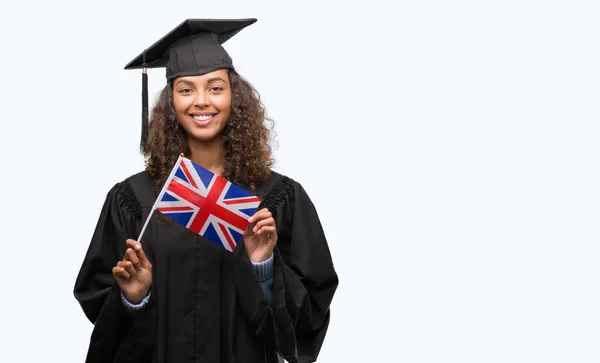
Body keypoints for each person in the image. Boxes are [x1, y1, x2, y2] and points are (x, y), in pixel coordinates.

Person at [73, 18, 338, 363]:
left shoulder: (276, 198)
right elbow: (98, 299)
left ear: (234, 97)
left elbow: (310, 310)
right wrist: (133, 298)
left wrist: (264, 267)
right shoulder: (134, 199)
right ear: (170, 102)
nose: (201, 101)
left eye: (215, 88)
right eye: (186, 89)